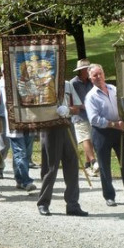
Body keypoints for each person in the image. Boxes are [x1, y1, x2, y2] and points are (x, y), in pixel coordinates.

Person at [85, 63, 124, 206]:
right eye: (95, 75)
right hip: (101, 133)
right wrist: (113, 124)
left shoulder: (114, 89)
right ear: (90, 78)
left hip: (119, 132)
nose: (99, 77)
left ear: (104, 74)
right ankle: (109, 196)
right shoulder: (91, 96)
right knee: (105, 166)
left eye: (100, 73)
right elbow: (93, 119)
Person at [37, 80, 88, 216]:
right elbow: (34, 110)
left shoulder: (67, 84)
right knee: (51, 167)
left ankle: (73, 204)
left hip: (67, 126)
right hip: (50, 128)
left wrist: (68, 110)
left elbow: (77, 107)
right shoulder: (41, 83)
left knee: (72, 164)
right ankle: (43, 203)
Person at [70, 59, 98, 176]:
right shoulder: (73, 83)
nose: (89, 71)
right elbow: (72, 101)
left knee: (90, 140)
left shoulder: (90, 82)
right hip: (78, 115)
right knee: (85, 138)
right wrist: (84, 106)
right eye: (87, 69)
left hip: (91, 115)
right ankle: (94, 161)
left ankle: (87, 166)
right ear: (81, 71)